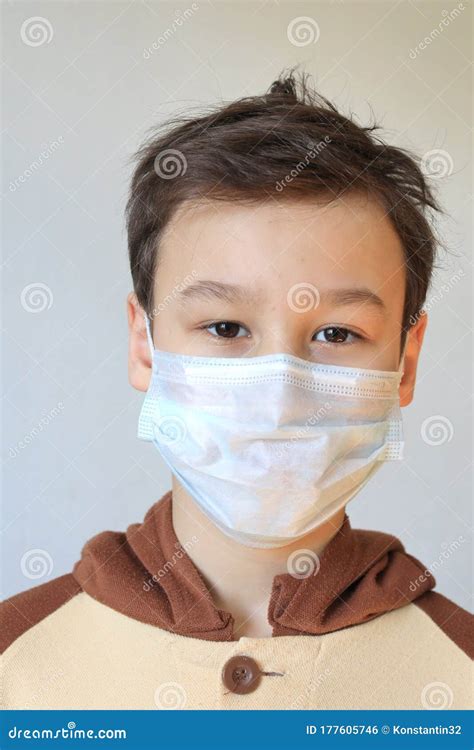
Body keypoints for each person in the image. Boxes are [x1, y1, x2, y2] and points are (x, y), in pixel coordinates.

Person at [1, 69, 472, 710]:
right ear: (145, 343)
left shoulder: (458, 670)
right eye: (225, 327)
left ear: (405, 363)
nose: (280, 396)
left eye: (336, 333)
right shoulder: (16, 664)